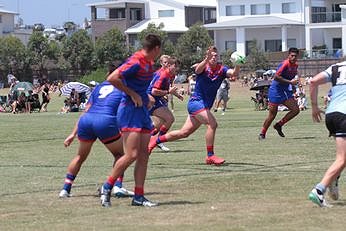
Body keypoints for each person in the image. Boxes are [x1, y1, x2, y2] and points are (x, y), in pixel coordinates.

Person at [148, 46, 241, 165]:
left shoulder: (221, 70)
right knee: (212, 124)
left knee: (184, 133)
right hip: (196, 103)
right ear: (206, 57)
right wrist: (205, 60)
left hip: (203, 106)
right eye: (211, 55)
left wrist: (237, 63)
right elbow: (197, 70)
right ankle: (210, 156)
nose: (214, 57)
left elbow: (234, 73)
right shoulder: (203, 67)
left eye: (215, 56)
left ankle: (155, 140)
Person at [100, 34, 162, 207]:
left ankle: (139, 197)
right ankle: (107, 187)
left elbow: (140, 85)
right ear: (156, 48)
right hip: (129, 110)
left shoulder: (149, 62)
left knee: (143, 155)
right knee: (131, 154)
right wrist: (132, 94)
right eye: (160, 50)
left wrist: (144, 96)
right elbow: (112, 78)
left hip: (141, 111)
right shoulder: (136, 60)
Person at [59, 79, 134, 199]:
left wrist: (73, 134)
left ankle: (65, 189)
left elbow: (86, 109)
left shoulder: (99, 87)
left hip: (87, 120)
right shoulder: (123, 86)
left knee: (80, 157)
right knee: (121, 155)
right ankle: (117, 186)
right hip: (105, 120)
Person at [308, 60, 346, 207]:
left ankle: (334, 179)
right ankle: (319, 190)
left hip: (331, 114)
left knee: (343, 156)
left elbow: (313, 82)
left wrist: (314, 107)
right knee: (341, 159)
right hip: (344, 115)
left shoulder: (336, 67)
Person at [258, 47, 300, 140]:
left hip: (285, 91)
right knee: (272, 114)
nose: (293, 57)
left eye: (295, 56)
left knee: (296, 110)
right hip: (276, 90)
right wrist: (290, 83)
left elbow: (291, 78)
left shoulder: (295, 66)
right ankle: (262, 133)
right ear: (288, 55)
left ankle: (279, 125)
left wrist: (293, 88)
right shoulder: (285, 64)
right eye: (292, 55)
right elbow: (276, 77)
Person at [148, 56, 183, 152]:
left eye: (178, 67)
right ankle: (156, 141)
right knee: (169, 119)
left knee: (159, 124)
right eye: (175, 66)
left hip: (156, 99)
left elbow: (167, 89)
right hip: (151, 100)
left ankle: (148, 140)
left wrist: (176, 94)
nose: (177, 69)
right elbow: (154, 91)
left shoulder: (170, 75)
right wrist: (168, 92)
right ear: (169, 65)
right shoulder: (163, 75)